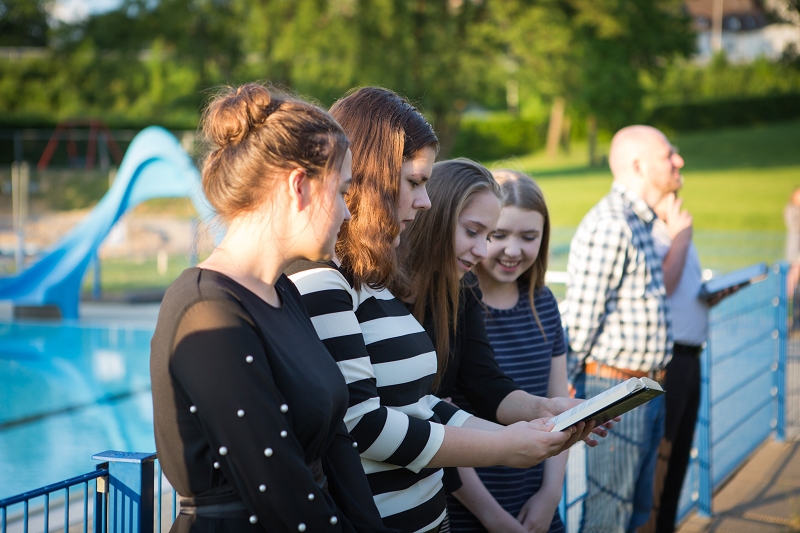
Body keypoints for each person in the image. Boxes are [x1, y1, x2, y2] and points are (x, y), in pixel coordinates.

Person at [288, 88, 586, 533]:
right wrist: (503, 447)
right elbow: (362, 424)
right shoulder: (323, 278)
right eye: (414, 182)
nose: (424, 201)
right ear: (372, 175)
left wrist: (532, 426)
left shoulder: (374, 281)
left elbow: (423, 403)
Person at [150, 83, 392, 533]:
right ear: (299, 187)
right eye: (341, 191)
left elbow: (334, 442)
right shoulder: (206, 308)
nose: (347, 212)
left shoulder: (283, 291)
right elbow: (280, 495)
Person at [404, 166, 570, 533]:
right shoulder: (383, 296)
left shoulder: (465, 292)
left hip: (461, 496)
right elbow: (424, 412)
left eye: (487, 235)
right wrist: (493, 509)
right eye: (475, 232)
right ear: (437, 218)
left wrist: (551, 411)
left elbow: (484, 382)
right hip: (446, 503)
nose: (485, 250)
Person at [562, 125, 677, 533]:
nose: (678, 161)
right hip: (617, 391)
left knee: (635, 512)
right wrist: (568, 388)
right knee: (609, 516)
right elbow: (582, 318)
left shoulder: (637, 221)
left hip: (642, 389)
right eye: (668, 155)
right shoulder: (613, 223)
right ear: (638, 166)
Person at [642, 190, 738, 533]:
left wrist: (710, 295)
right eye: (671, 194)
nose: (679, 199)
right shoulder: (655, 233)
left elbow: (682, 291)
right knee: (661, 460)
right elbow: (662, 286)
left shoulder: (676, 232)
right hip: (668, 359)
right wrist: (680, 237)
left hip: (689, 358)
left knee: (679, 457)